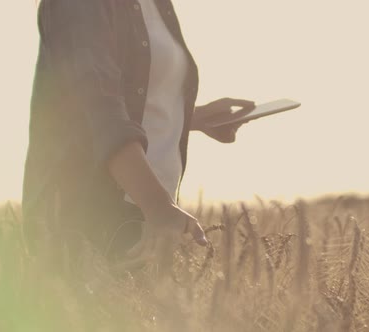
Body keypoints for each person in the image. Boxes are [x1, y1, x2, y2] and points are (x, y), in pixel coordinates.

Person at [22, 0, 255, 262]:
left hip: (144, 216)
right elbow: (99, 110)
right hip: (93, 218)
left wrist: (193, 117)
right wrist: (158, 207)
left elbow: (135, 99)